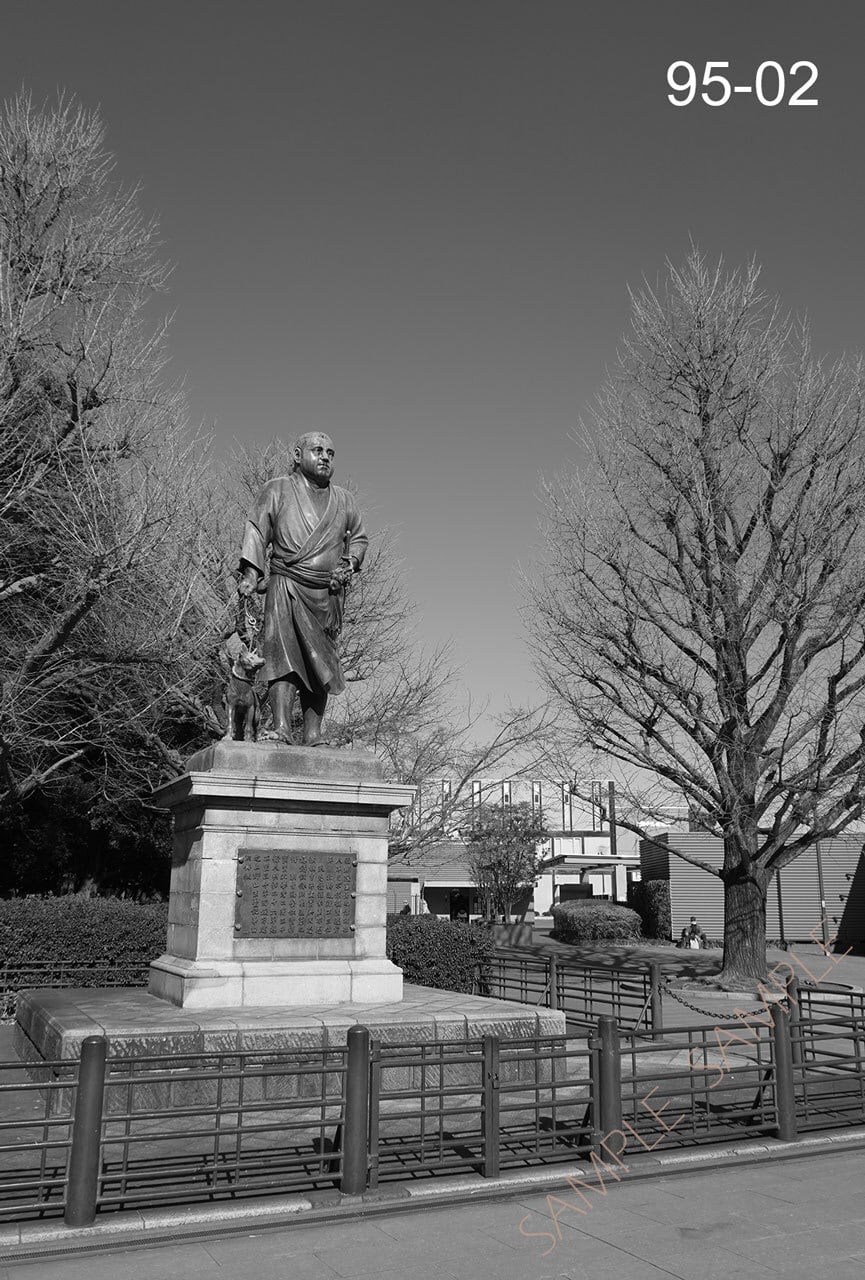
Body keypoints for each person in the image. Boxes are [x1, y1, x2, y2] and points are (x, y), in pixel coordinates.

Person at [237, 432, 368, 745]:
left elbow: (359, 538)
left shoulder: (344, 499)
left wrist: (350, 563)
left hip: (326, 593)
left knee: (320, 664)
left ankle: (313, 734)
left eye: (330, 453)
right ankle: (281, 727)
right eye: (318, 450)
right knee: (282, 658)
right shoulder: (277, 488)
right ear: (298, 455)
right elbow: (257, 530)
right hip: (286, 583)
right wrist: (251, 573)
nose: (325, 457)